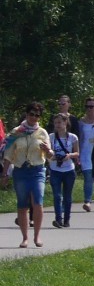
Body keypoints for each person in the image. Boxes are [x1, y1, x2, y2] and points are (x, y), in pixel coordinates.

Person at [7, 103, 55, 247]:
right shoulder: (16, 132)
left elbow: (50, 156)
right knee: (22, 204)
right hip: (21, 170)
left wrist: (48, 150)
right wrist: (4, 173)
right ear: (26, 114)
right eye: (31, 114)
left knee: (38, 201)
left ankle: (37, 236)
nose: (34, 117)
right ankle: (25, 237)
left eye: (37, 115)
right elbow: (8, 154)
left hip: (37, 170)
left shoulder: (42, 132)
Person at [46, 113, 80, 229]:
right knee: (57, 195)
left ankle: (67, 220)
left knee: (67, 196)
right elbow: (47, 152)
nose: (58, 125)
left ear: (66, 123)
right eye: (56, 123)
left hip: (69, 169)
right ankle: (58, 219)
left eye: (60, 122)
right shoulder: (51, 137)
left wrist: (69, 155)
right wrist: (52, 157)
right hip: (55, 169)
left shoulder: (72, 137)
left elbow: (77, 153)